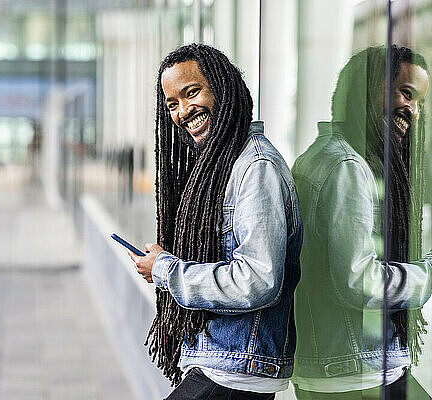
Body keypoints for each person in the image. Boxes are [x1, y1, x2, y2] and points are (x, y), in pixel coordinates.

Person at [128, 43, 302, 399]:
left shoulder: (256, 168)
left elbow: (258, 278)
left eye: (192, 93)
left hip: (237, 370)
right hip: (221, 363)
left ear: (222, 88)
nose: (182, 111)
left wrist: (167, 271)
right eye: (172, 104)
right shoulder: (222, 163)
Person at [291, 46, 432, 399]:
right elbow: (359, 281)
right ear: (369, 89)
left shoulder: (322, 154)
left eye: (419, 101)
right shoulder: (347, 168)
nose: (413, 110)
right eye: (405, 93)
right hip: (354, 375)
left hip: (339, 367)